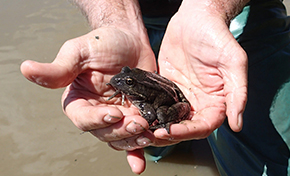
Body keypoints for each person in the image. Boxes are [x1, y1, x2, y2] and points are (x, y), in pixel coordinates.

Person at [20, 0, 290, 175]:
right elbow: (128, 79)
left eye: (125, 83)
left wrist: (210, 9)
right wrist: (117, 19)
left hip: (234, 11)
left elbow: (151, 110)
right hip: (136, 30)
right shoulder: (128, 74)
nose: (119, 83)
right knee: (149, 140)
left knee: (270, 162)